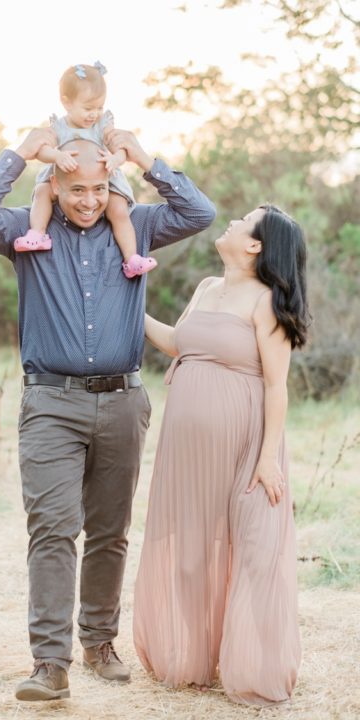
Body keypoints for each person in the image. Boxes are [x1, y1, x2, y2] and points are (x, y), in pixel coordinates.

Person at [0, 128, 216, 702]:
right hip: (51, 403)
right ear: (54, 182)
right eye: (76, 189)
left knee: (110, 532)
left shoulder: (138, 225)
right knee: (52, 529)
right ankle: (50, 663)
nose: (89, 200)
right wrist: (20, 154)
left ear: (112, 185)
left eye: (100, 188)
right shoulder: (28, 230)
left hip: (124, 401)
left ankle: (100, 642)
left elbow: (200, 211)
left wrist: (146, 159)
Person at [133, 205, 308, 706]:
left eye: (242, 221)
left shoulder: (267, 302)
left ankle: (253, 667)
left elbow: (277, 386)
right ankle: (191, 660)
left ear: (255, 245)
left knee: (252, 550)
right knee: (189, 551)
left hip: (248, 444)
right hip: (187, 447)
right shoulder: (207, 288)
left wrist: (268, 457)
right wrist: (128, 302)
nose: (230, 223)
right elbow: (175, 343)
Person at [14, 61, 157, 279]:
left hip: (102, 178)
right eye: (88, 108)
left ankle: (131, 259)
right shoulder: (59, 127)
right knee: (42, 192)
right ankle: (38, 233)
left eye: (99, 108)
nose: (94, 114)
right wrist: (57, 156)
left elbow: (122, 148)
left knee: (118, 211)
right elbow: (40, 151)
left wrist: (115, 158)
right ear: (67, 103)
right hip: (64, 176)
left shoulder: (102, 125)